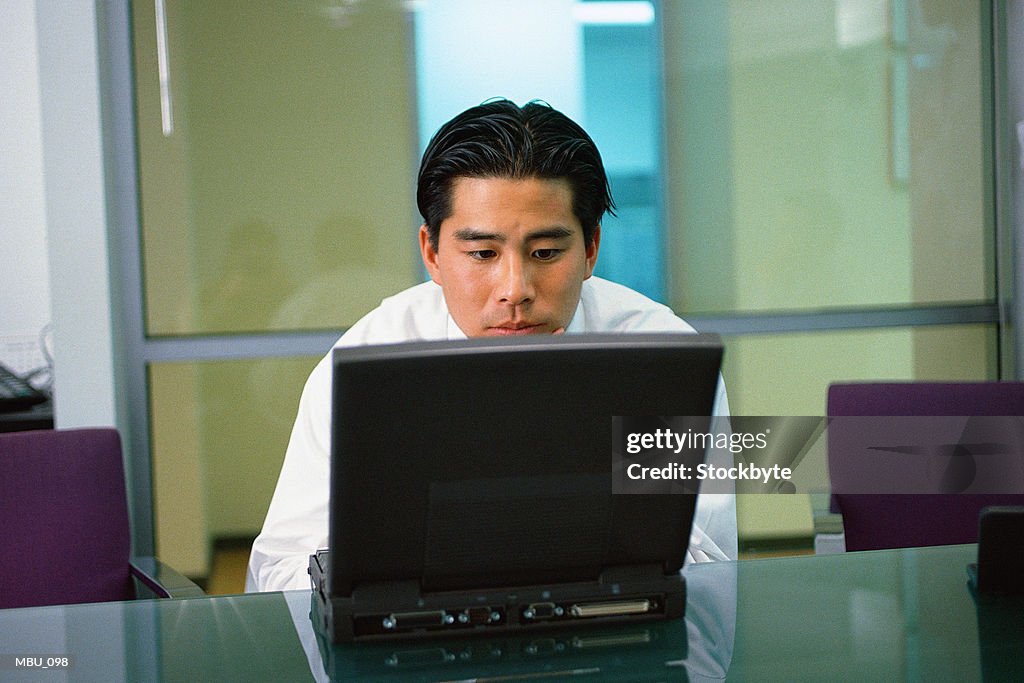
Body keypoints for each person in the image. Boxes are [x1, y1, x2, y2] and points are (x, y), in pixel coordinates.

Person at [246, 99, 737, 592]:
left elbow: (707, 562)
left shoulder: (658, 355)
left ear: (590, 250)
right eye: (482, 253)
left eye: (545, 253)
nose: (515, 288)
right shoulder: (367, 357)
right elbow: (280, 571)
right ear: (432, 254)